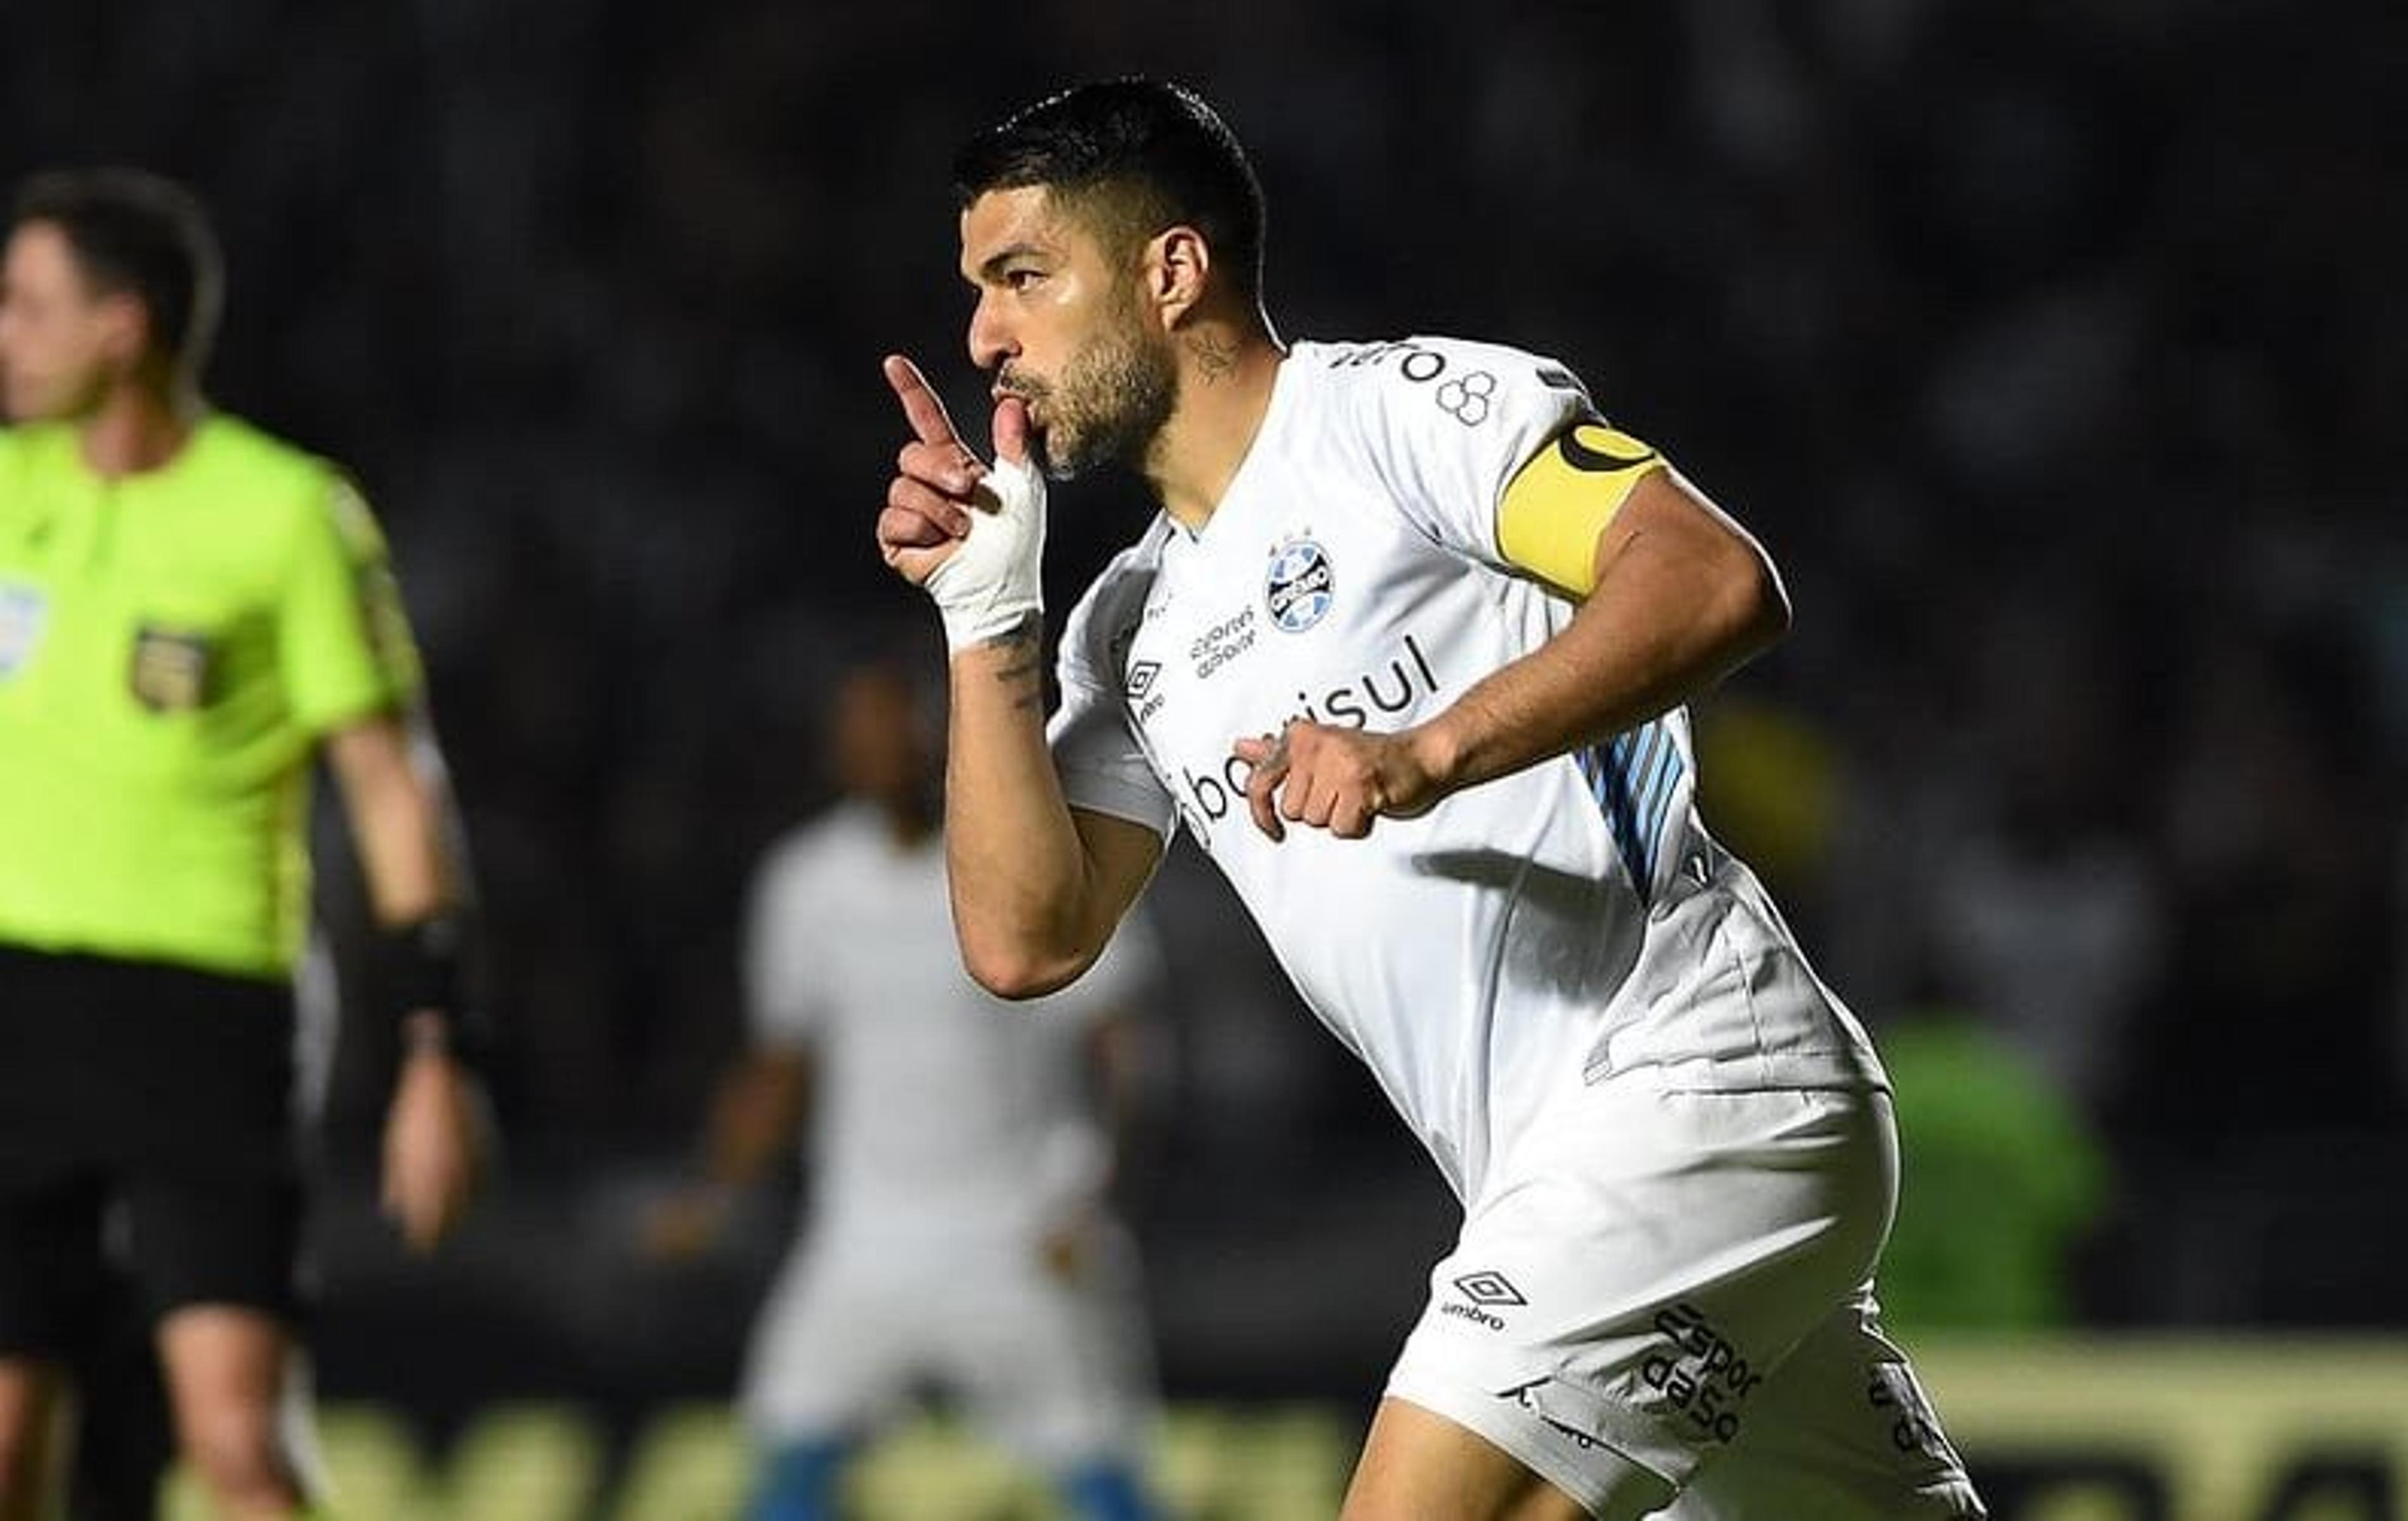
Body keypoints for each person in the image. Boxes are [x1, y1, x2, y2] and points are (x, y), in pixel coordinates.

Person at [871, 80, 1985, 1520]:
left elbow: (1713, 577)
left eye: (1021, 278)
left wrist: (1427, 749)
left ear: (1171, 271)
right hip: (1600, 1166)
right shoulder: (1131, 626)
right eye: (975, 292)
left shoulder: (1402, 416)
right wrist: (983, 619)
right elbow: (1028, 938)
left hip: (1690, 1085)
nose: (984, 338)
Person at [0, 169, 485, 1518]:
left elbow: (392, 786)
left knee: (235, 1449)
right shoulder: (5, 488)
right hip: (16, 1011)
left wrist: (437, 1048)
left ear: (122, 328)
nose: (2, 335)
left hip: (202, 1017)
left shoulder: (281, 513)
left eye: (28, 306)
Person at [649, 655, 1165, 1521]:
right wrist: (712, 1191)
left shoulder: (1034, 851)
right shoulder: (807, 885)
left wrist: (1090, 1195)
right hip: (862, 1244)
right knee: (787, 1471)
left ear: (940, 732)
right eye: (859, 735)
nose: (878, 750)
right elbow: (782, 1067)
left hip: (1021, 1241)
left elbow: (1124, 1055)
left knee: (1104, 1483)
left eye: (896, 728)